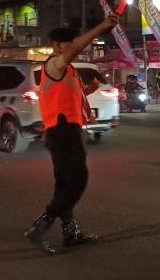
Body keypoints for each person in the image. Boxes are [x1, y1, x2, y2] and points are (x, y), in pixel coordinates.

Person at [24, 16, 119, 254]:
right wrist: (102, 26)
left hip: (62, 130)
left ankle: (70, 232)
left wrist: (89, 90)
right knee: (78, 180)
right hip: (63, 130)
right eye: (69, 44)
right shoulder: (54, 64)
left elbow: (66, 95)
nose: (75, 48)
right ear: (58, 46)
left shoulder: (66, 70)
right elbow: (77, 47)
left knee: (64, 184)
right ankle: (40, 225)